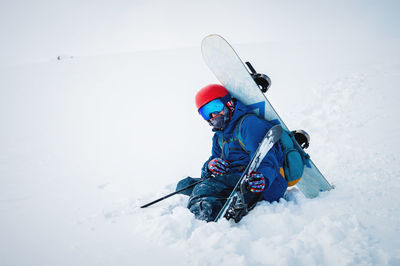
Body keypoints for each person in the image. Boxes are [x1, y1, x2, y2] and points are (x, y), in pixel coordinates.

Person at [176, 84, 288, 222]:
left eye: (214, 108)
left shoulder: (249, 124)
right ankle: (226, 202)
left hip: (256, 184)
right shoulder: (219, 136)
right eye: (206, 113)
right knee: (183, 185)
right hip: (231, 180)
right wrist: (210, 166)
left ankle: (204, 219)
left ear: (228, 103)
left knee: (204, 188)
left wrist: (262, 179)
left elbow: (268, 160)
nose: (212, 116)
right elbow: (212, 163)